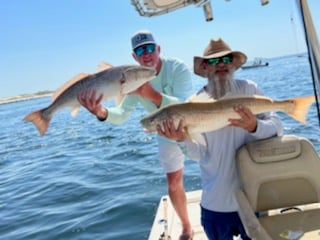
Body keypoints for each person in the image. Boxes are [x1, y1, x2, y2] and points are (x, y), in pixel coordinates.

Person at [156, 38, 283, 240]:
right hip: (215, 203)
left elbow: (277, 128)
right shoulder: (194, 103)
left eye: (225, 59)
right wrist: (182, 139)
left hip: (253, 198)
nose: (221, 64)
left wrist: (254, 126)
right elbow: (198, 154)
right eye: (214, 61)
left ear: (233, 64)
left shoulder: (249, 89)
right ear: (205, 67)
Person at [78, 30, 194, 239]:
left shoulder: (177, 68)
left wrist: (149, 93)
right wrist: (101, 112)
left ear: (158, 49)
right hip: (165, 133)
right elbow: (122, 115)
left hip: (194, 126)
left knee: (215, 168)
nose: (146, 54)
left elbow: (188, 108)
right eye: (140, 51)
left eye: (150, 48)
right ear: (134, 57)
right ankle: (186, 226)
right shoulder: (132, 79)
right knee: (174, 182)